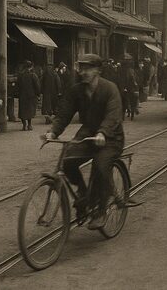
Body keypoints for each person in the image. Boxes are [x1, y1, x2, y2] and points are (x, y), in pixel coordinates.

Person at [42, 54, 124, 230]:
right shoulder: (76, 91)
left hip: (111, 137)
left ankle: (101, 209)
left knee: (101, 166)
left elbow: (113, 115)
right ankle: (84, 193)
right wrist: (53, 132)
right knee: (68, 161)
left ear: (98, 70)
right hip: (88, 133)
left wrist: (103, 132)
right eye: (81, 68)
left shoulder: (110, 89)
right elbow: (64, 113)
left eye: (88, 68)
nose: (83, 72)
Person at [17, 61, 41, 131]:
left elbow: (18, 86)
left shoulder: (20, 75)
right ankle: (29, 125)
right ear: (31, 67)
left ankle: (24, 125)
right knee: (30, 111)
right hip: (31, 96)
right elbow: (37, 86)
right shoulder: (33, 75)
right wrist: (38, 94)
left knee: (22, 111)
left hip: (22, 96)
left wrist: (18, 94)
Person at [118, 55, 139, 120]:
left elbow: (120, 80)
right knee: (133, 101)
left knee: (123, 102)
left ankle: (123, 116)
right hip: (131, 88)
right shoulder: (131, 71)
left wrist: (123, 87)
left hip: (123, 88)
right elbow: (134, 80)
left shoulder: (120, 70)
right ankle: (133, 111)